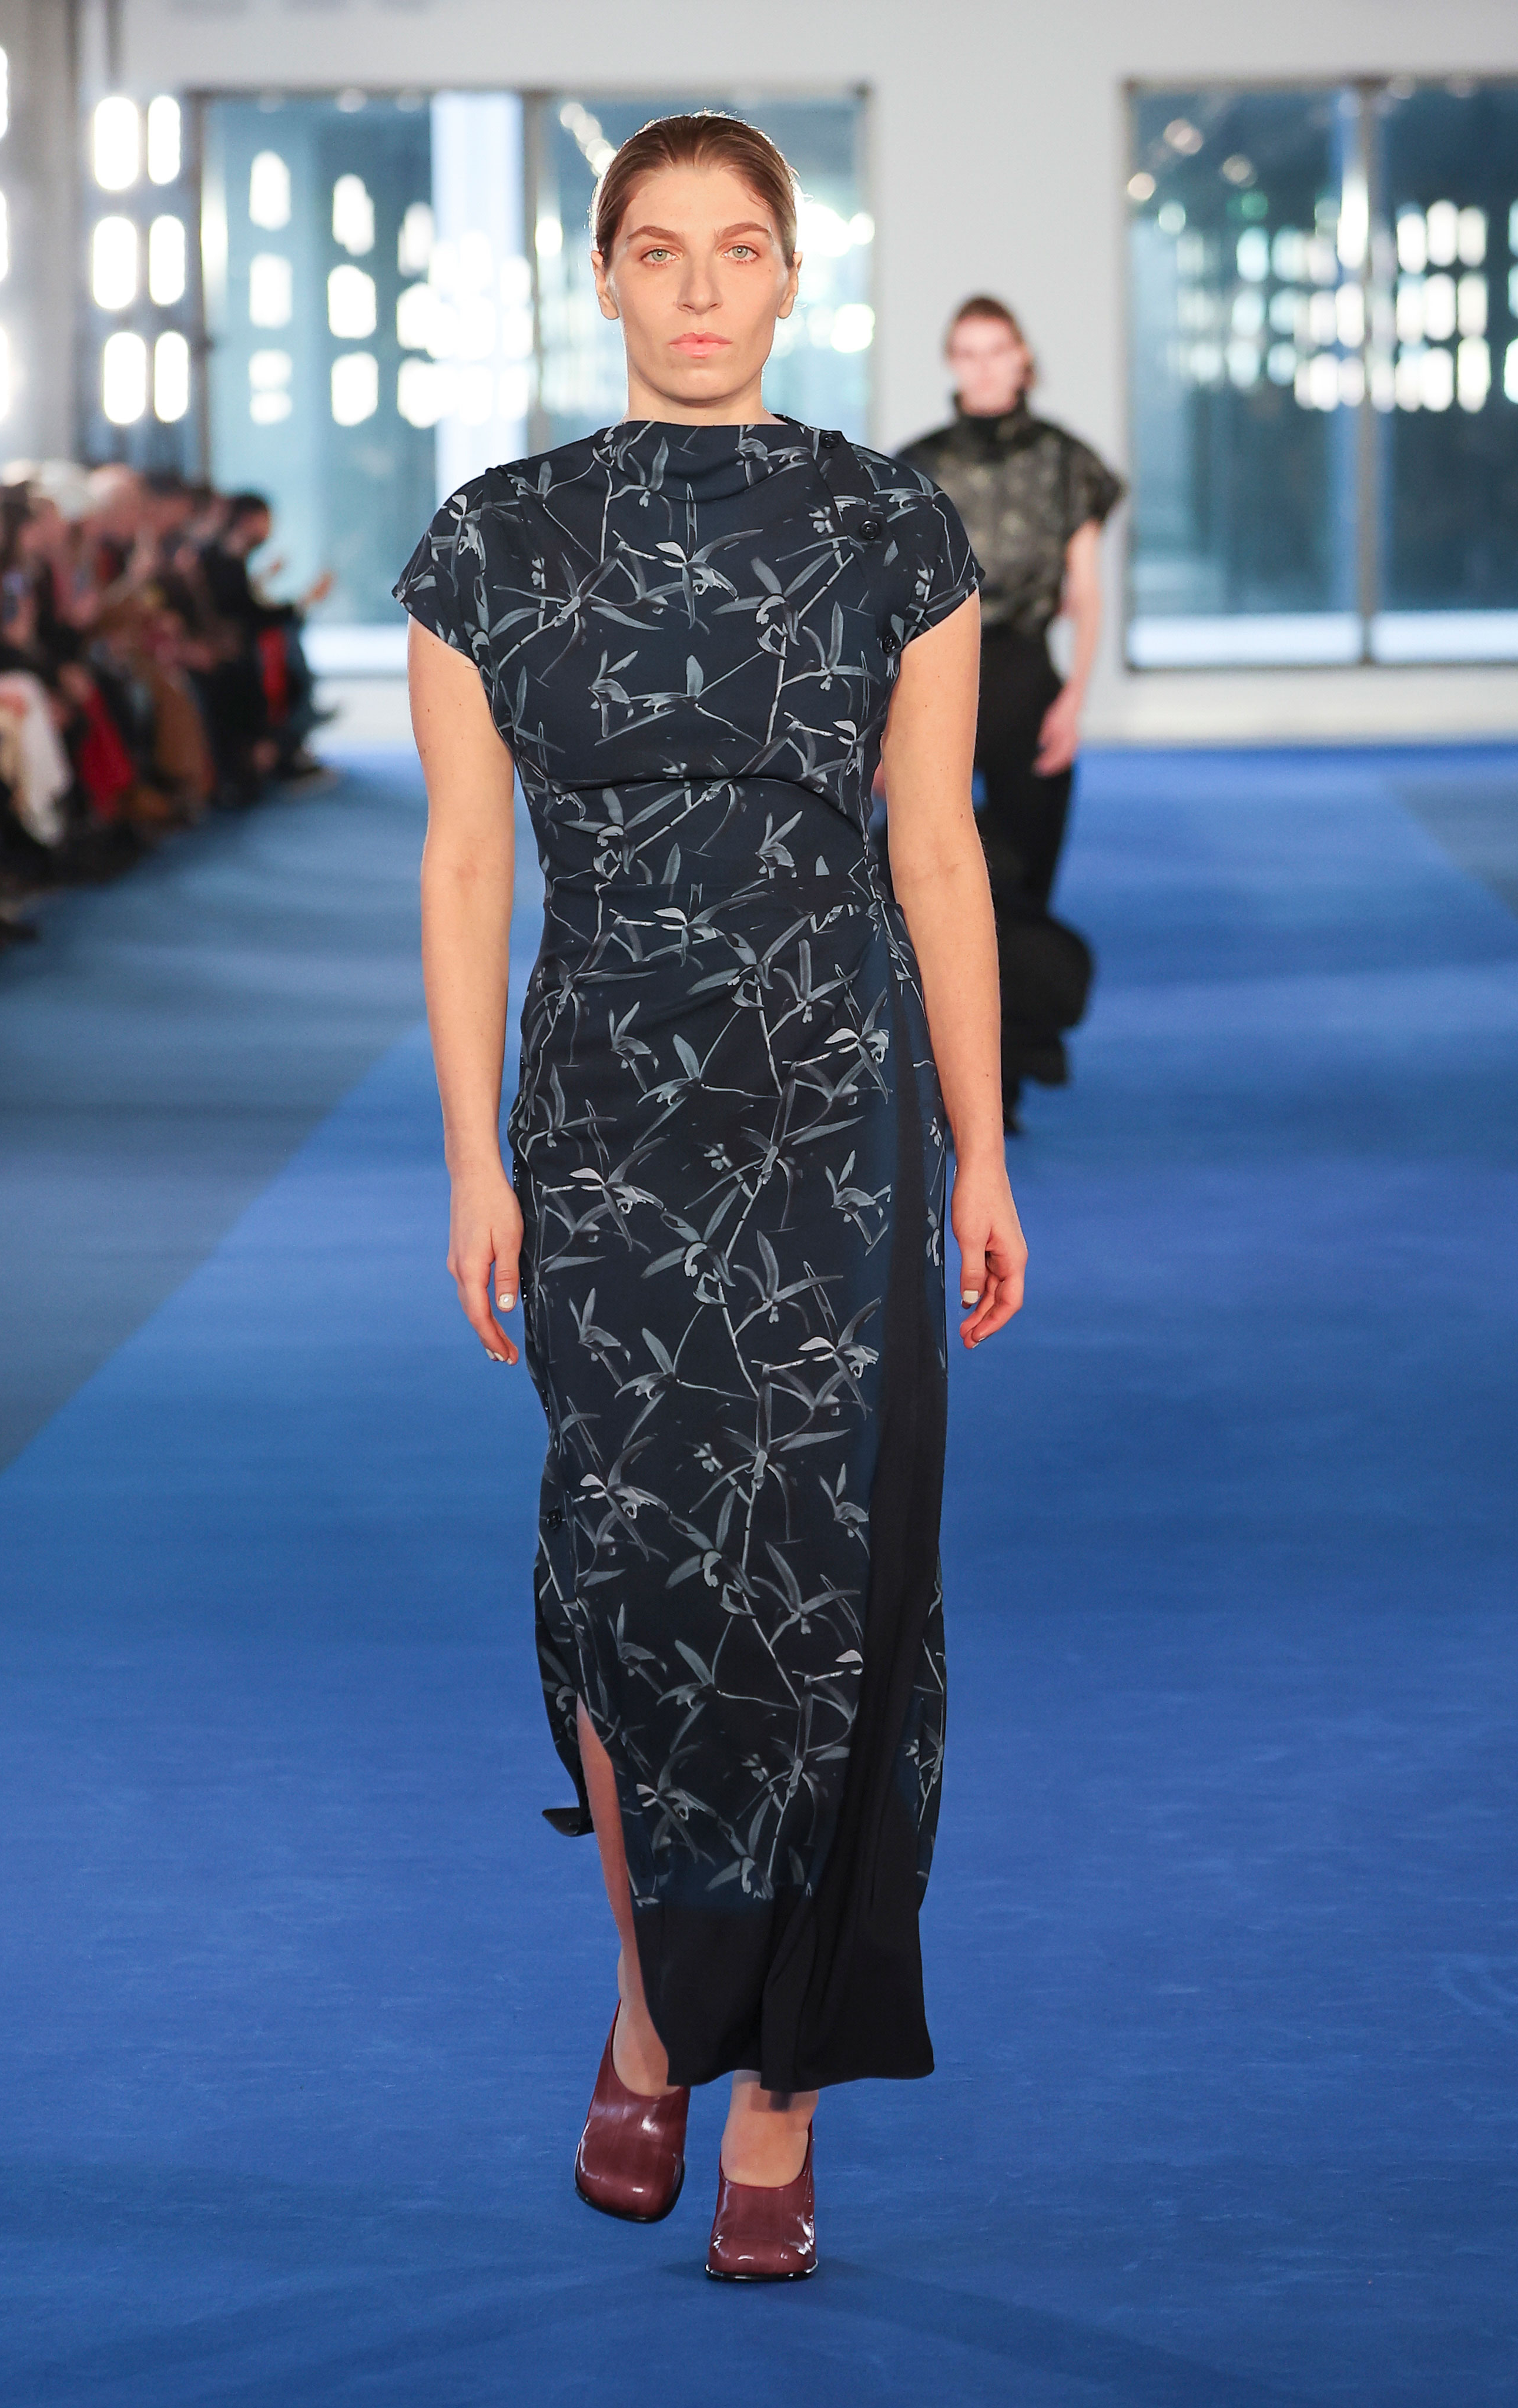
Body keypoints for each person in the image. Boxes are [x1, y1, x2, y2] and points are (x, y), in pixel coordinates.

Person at [398, 112, 1027, 2282]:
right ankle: (655, 2000)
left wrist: (983, 1144)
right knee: (632, 1569)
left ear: (789, 275)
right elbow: (463, 868)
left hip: (836, 1109)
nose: (694, 289)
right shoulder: (495, 539)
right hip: (603, 1122)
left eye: (736, 248)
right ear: (600, 276)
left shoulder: (892, 528)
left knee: (837, 1590)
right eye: (654, 250)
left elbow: (933, 851)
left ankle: (782, 2092)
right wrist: (471, 1153)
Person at [900, 299, 1125, 1129]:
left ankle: (1011, 1069)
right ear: (951, 362)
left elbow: (1086, 591)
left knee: (1026, 878)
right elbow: (897, 603)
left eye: (997, 350)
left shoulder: (1067, 462)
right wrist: (888, 722)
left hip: (1029, 677)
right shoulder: (919, 467)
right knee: (942, 876)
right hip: (939, 678)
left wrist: (1076, 697)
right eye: (968, 351)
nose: (984, 367)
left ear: (1024, 358)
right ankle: (960, 1071)